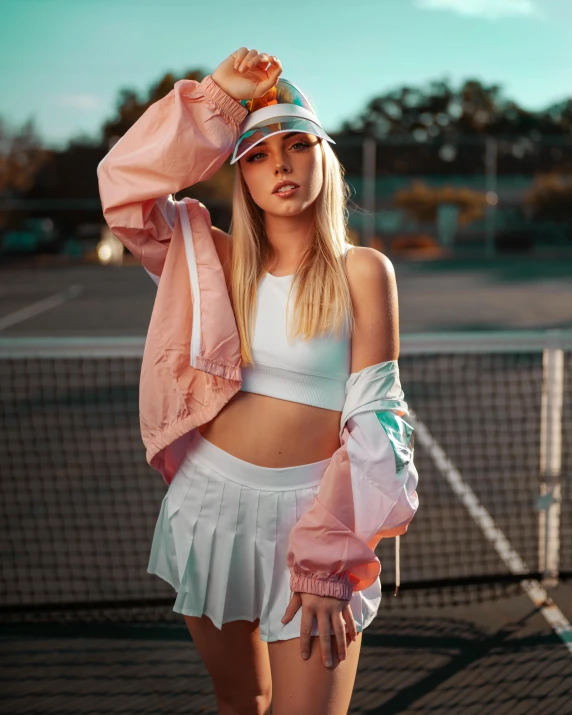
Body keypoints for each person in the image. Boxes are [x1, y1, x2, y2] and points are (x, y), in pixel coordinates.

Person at [98, 46, 419, 715]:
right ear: (239, 173)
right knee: (240, 701)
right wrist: (218, 96)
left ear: (322, 158)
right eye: (259, 154)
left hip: (315, 518)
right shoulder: (206, 254)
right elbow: (124, 186)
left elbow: (377, 417)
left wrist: (329, 559)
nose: (281, 164)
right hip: (208, 508)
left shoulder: (363, 270)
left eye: (298, 145)